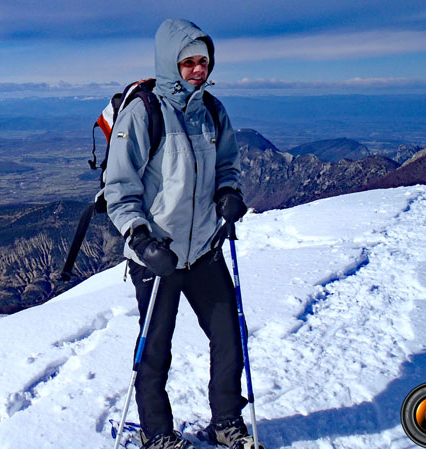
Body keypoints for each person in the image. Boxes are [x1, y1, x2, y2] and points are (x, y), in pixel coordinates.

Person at [104, 19, 260, 449]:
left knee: (229, 337)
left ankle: (227, 422)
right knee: (155, 351)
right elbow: (118, 188)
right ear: (170, 64)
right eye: (188, 62)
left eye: (203, 62)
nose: (197, 70)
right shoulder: (144, 113)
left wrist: (230, 193)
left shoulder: (212, 111)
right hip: (159, 255)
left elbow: (228, 165)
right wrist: (140, 240)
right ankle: (157, 435)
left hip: (205, 250)